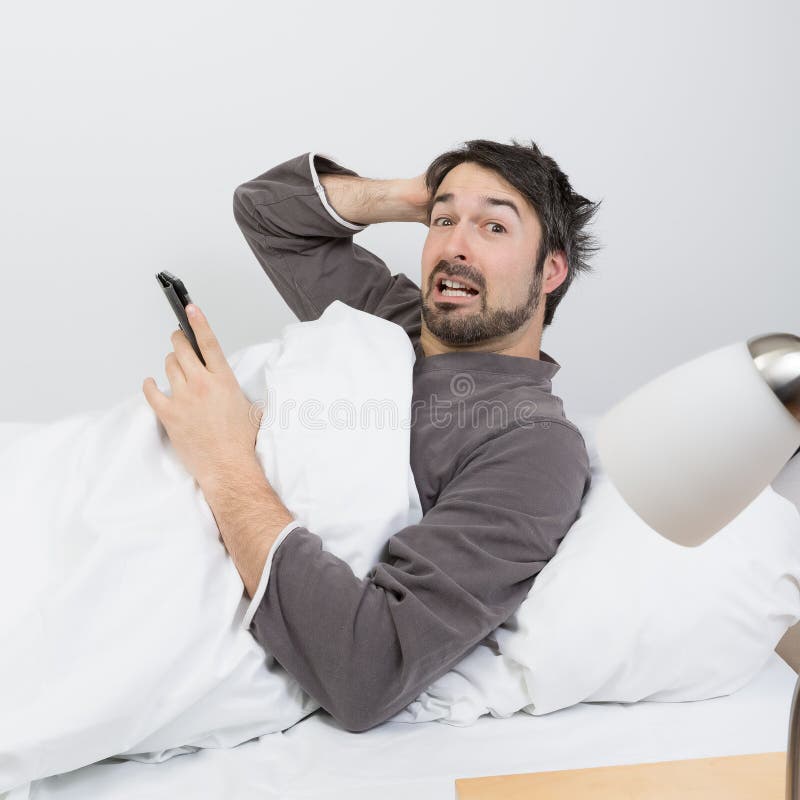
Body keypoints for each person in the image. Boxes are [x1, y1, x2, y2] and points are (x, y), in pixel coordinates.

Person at [148, 139, 600, 733]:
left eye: (493, 226)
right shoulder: (393, 318)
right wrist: (412, 195)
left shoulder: (533, 443)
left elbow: (368, 670)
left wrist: (226, 460)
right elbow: (264, 210)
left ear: (550, 270)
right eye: (443, 222)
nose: (453, 247)